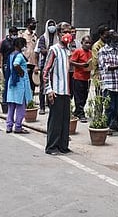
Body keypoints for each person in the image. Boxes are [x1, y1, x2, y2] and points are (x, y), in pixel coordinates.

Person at [43, 22, 73, 155]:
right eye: (64, 31)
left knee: (65, 120)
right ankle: (52, 146)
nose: (67, 34)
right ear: (59, 33)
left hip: (66, 91)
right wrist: (49, 89)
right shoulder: (53, 50)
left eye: (69, 31)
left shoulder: (68, 50)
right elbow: (46, 71)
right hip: (56, 91)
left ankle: (63, 145)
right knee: (55, 120)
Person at [98, 30, 118, 133]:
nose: (117, 42)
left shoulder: (115, 51)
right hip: (108, 84)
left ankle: (115, 124)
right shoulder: (103, 51)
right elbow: (106, 67)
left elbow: (116, 61)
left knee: (117, 107)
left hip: (117, 83)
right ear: (110, 40)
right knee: (109, 107)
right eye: (115, 40)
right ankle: (106, 126)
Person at [5, 37, 32, 134]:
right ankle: (18, 127)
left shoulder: (11, 55)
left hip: (12, 83)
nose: (25, 46)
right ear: (20, 45)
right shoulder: (19, 55)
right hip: (20, 84)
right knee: (20, 107)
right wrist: (22, 72)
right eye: (24, 44)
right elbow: (16, 65)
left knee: (11, 107)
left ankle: (9, 126)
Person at [34, 19, 58, 115]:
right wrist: (36, 65)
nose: (52, 27)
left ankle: (51, 105)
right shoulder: (43, 38)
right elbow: (40, 51)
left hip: (55, 66)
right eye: (50, 25)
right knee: (43, 87)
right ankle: (42, 107)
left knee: (53, 86)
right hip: (45, 65)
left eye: (53, 25)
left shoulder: (58, 38)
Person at [70, 35, 92, 123]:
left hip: (86, 78)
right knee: (78, 97)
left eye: (89, 43)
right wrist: (81, 65)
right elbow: (71, 61)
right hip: (78, 77)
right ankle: (80, 113)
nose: (88, 45)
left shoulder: (90, 53)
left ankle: (77, 111)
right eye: (86, 43)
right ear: (82, 43)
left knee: (84, 96)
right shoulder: (78, 51)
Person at [0, 26, 18, 109]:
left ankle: (14, 100)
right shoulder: (4, 42)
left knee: (15, 82)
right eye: (13, 34)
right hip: (6, 65)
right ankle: (5, 100)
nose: (15, 35)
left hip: (16, 65)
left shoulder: (17, 42)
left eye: (16, 34)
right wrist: (0, 63)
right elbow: (0, 53)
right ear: (9, 33)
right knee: (7, 82)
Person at [20, 17, 38, 95]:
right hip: (25, 62)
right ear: (27, 25)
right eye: (32, 24)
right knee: (25, 80)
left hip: (33, 62)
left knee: (33, 81)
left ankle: (31, 99)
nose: (34, 25)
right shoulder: (23, 35)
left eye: (35, 24)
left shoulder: (35, 36)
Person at [91, 25, 110, 93]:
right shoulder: (96, 46)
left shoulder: (109, 44)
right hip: (99, 74)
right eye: (105, 35)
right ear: (101, 35)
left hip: (108, 74)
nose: (107, 37)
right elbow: (96, 61)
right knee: (100, 94)